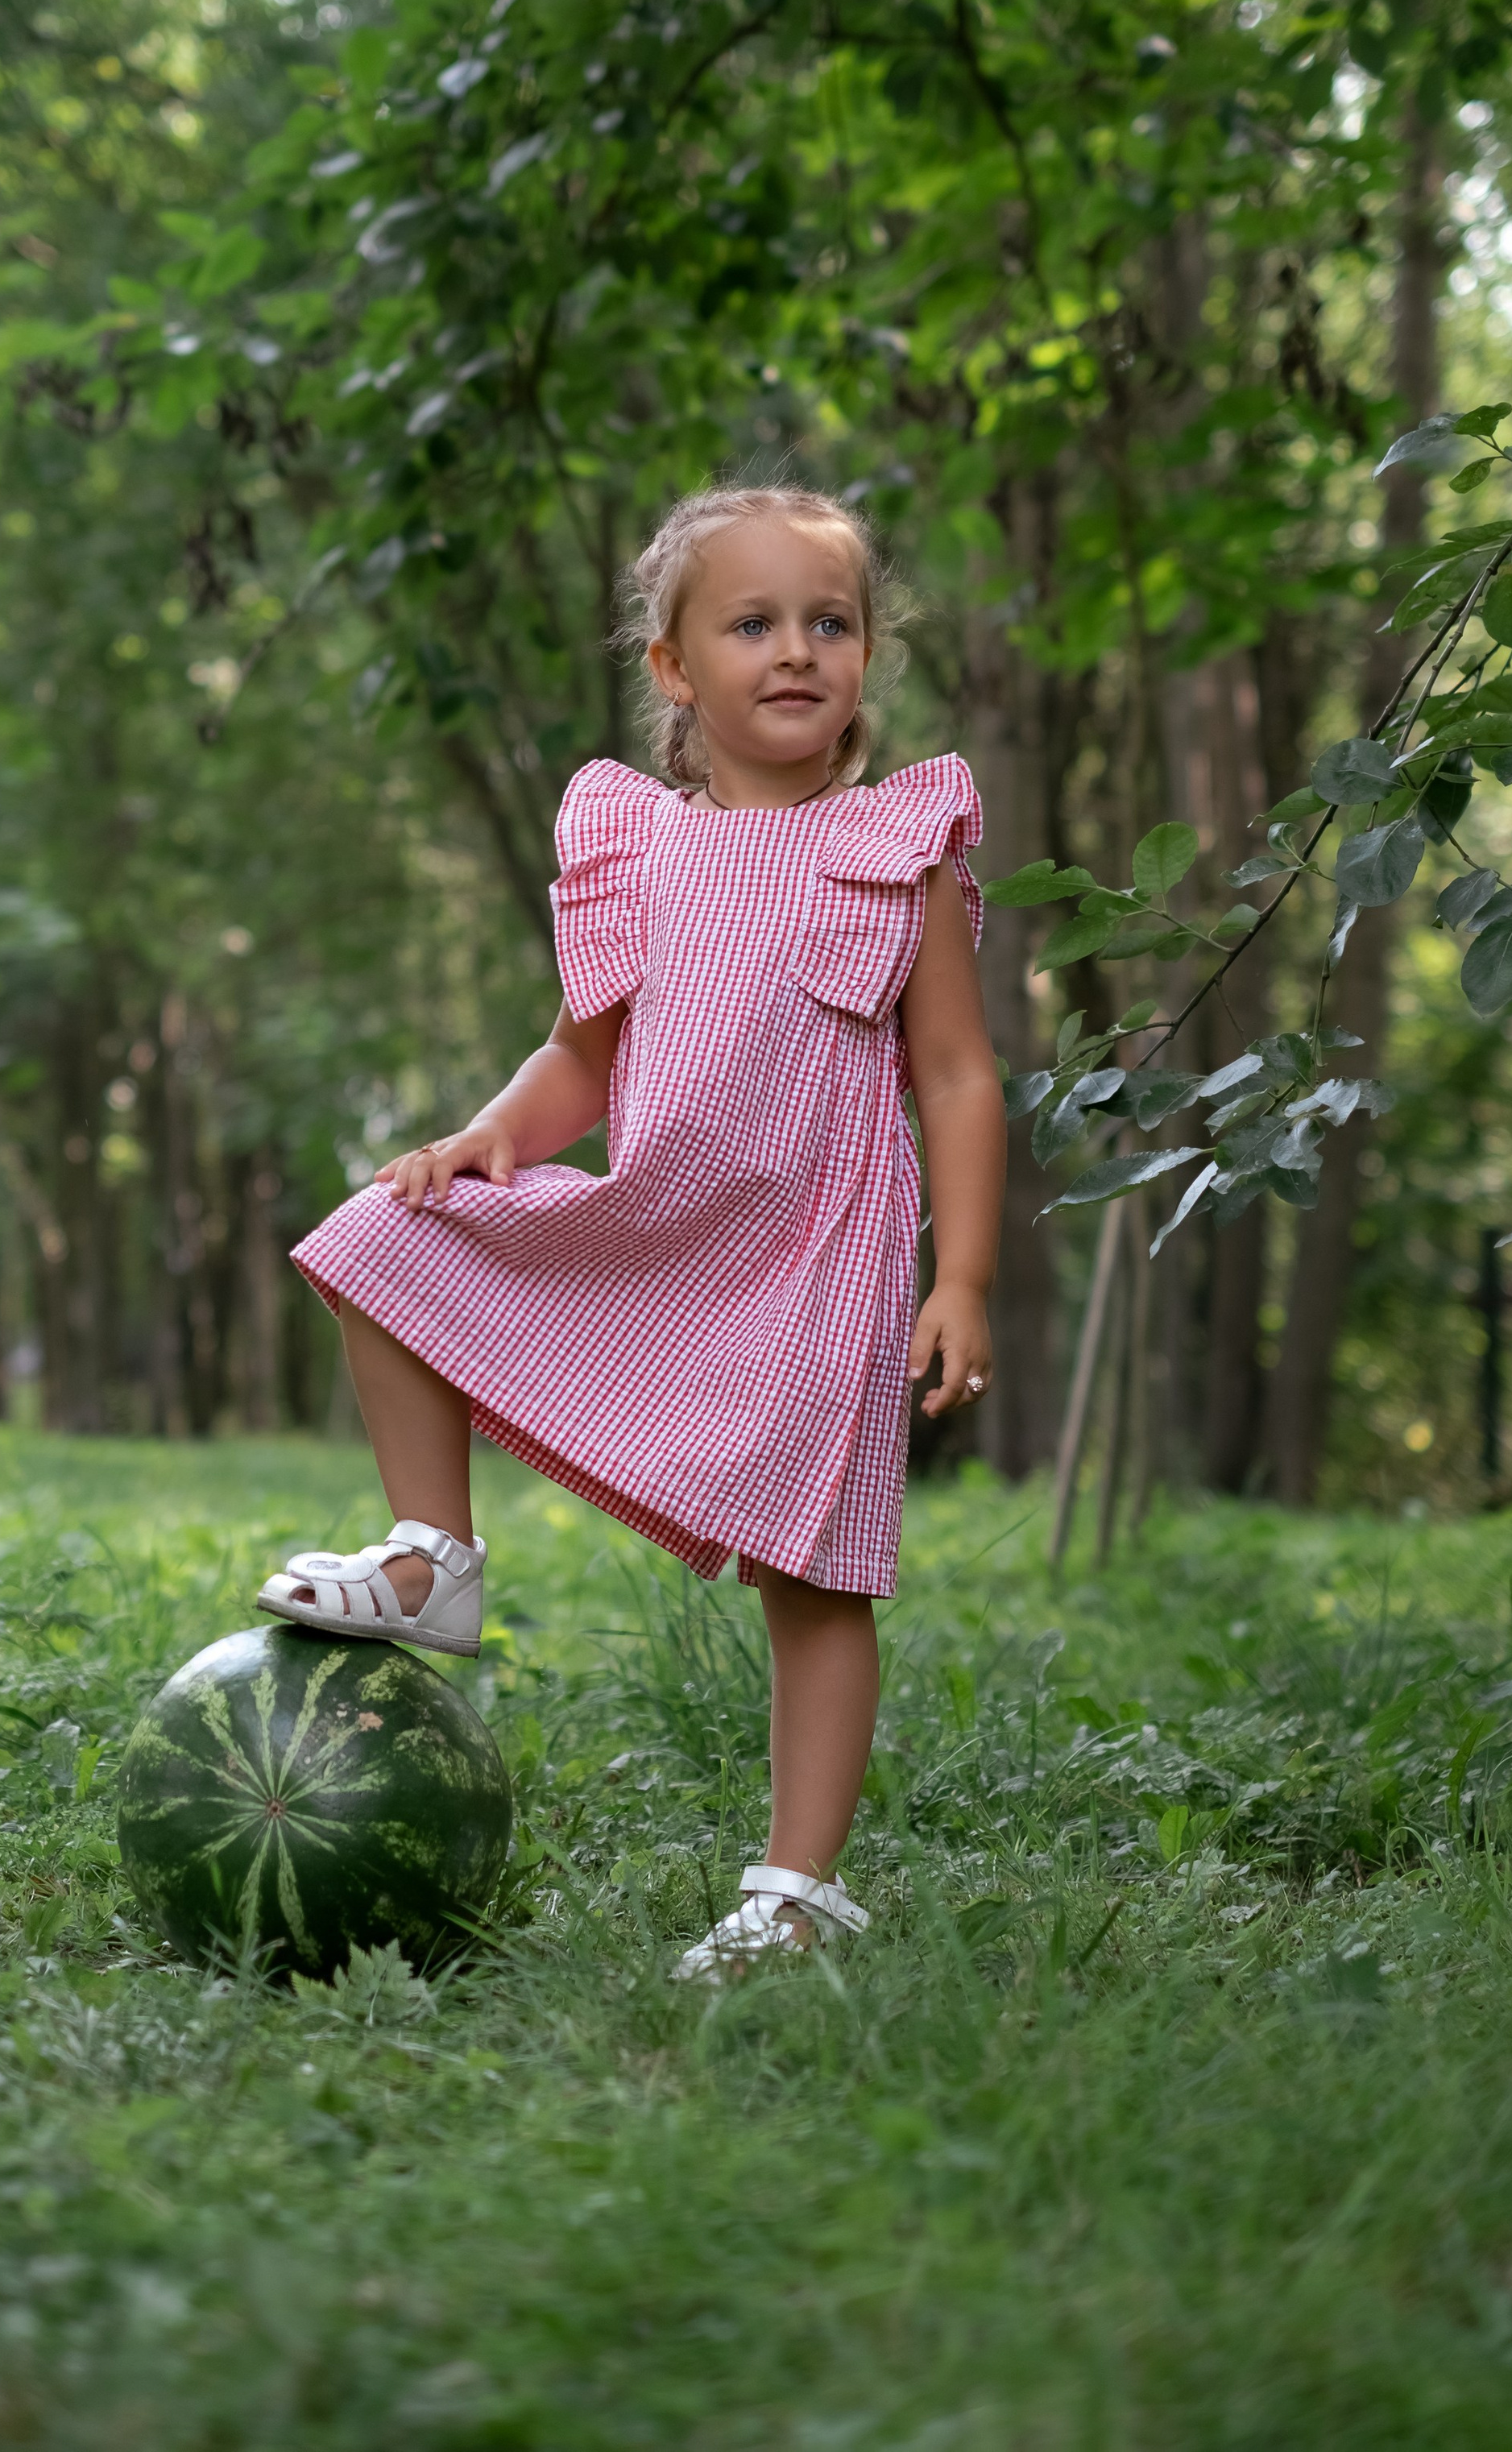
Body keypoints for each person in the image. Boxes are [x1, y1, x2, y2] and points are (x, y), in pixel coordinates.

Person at [263, 483, 1006, 1978]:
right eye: (752, 624)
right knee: (382, 1237)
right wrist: (493, 1135)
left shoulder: (897, 842)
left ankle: (793, 1895)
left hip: (815, 1258)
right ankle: (433, 1554)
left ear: (867, 653)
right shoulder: (635, 842)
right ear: (675, 667)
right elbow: (580, 1060)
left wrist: (968, 1274)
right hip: (655, 1223)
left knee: (822, 1575)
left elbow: (956, 1074)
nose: (795, 651)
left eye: (830, 623)